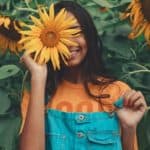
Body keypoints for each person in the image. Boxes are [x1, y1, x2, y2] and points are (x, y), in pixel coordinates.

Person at [19, 1, 147, 150]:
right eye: (59, 36)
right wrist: (38, 76)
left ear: (89, 35)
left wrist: (129, 128)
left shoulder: (117, 92)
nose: (68, 43)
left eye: (74, 32)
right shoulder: (38, 92)